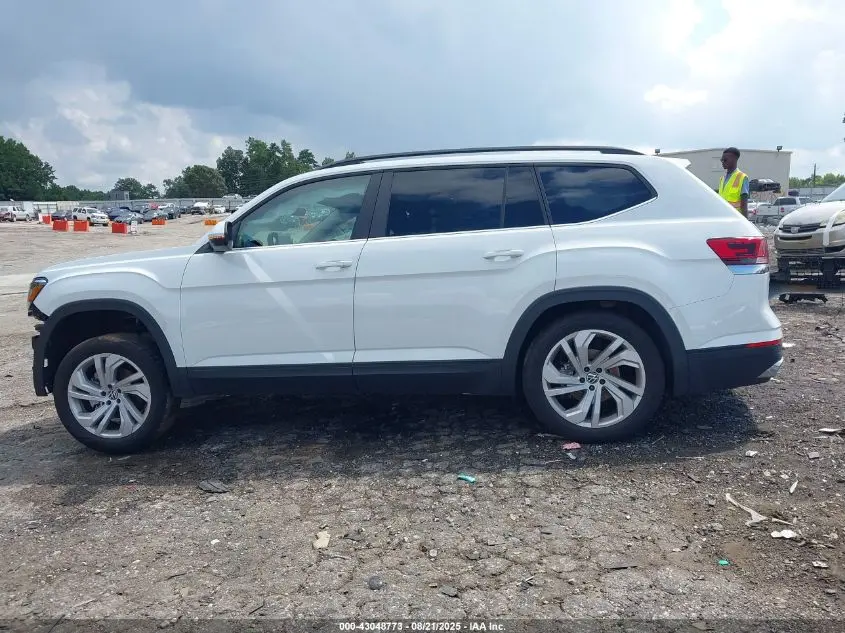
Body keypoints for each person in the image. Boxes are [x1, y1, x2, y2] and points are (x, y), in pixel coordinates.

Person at [718, 147, 749, 217]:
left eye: (725, 160)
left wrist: (745, 224)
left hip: (734, 219)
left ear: (734, 159)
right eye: (721, 160)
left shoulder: (742, 177)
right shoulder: (722, 179)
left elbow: (744, 206)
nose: (722, 162)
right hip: (722, 218)